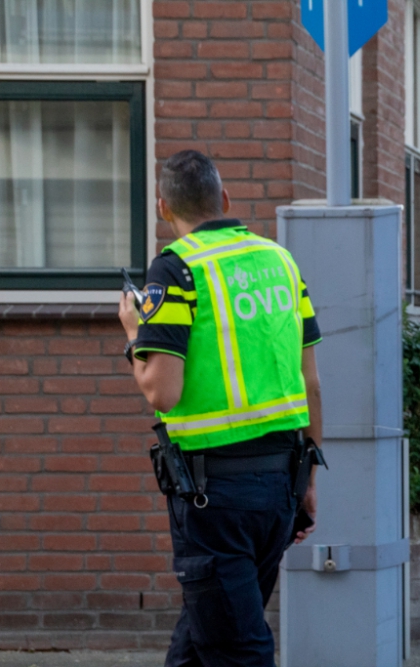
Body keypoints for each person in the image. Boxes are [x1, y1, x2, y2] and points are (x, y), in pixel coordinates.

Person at [117, 150, 323, 667]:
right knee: (201, 641)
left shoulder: (175, 268)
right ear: (225, 199)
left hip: (214, 501)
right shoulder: (281, 261)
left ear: (164, 207)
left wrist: (134, 334)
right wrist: (309, 482)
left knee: (237, 649)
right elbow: (312, 381)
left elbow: (161, 391)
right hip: (281, 487)